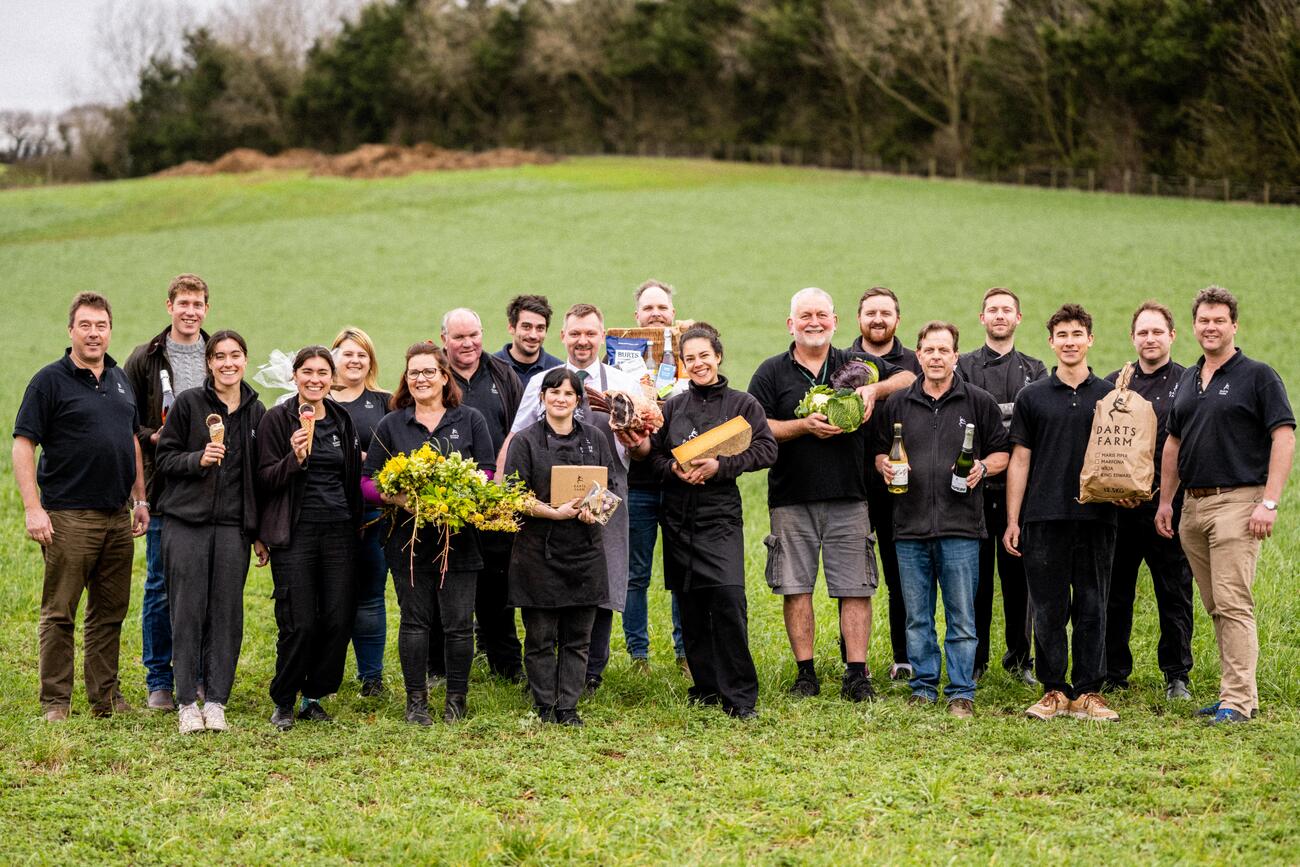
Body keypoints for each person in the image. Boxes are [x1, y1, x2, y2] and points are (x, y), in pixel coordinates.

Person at [748, 287, 914, 702]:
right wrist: (802, 426)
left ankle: (856, 673)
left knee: (855, 585)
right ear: (791, 324)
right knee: (795, 586)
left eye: (822, 314)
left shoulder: (856, 365)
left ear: (835, 322)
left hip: (850, 494)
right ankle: (806, 673)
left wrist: (873, 391)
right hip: (791, 495)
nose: (814, 322)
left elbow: (909, 376)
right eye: (805, 315)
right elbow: (757, 426)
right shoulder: (771, 372)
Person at [1157, 286, 1294, 725]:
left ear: (1234, 325)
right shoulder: (1188, 378)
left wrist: (1269, 501)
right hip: (1192, 507)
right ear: (1193, 326)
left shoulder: (1258, 376)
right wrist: (1166, 501)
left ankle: (1237, 700)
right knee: (1216, 604)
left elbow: (1284, 436)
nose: (1210, 327)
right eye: (1203, 320)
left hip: (1239, 501)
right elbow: (1173, 443)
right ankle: (1237, 694)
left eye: (1219, 320)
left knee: (1233, 603)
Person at [13, 292, 150, 722]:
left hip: (116, 515)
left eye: (101, 326)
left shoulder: (119, 378)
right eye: (86, 325)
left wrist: (140, 498)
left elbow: (131, 441)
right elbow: (23, 445)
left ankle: (105, 697)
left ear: (110, 331)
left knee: (110, 612)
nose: (94, 333)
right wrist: (33, 508)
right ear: (71, 330)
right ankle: (56, 701)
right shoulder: (49, 381)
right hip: (68, 514)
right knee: (60, 612)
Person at [872, 322, 1009, 718]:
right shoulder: (898, 403)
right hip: (909, 527)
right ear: (918, 355)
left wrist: (982, 467)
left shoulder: (977, 401)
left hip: (962, 528)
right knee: (917, 618)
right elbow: (880, 451)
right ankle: (924, 686)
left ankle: (961, 690)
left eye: (943, 350)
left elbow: (1002, 452)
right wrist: (885, 464)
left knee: (962, 616)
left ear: (955, 356)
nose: (935, 357)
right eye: (928, 350)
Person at [505, 303, 642, 694]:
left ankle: (589, 673)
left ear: (602, 337)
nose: (583, 340)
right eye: (575, 333)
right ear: (563, 336)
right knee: (546, 587)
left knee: (605, 582)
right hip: (546, 503)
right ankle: (547, 680)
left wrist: (635, 431)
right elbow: (518, 437)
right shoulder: (540, 382)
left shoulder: (623, 382)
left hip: (605, 499)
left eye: (590, 333)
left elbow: (642, 447)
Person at [647, 325, 777, 719]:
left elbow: (767, 449)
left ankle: (741, 695)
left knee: (727, 599)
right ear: (683, 366)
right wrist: (673, 468)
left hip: (720, 517)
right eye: (690, 359)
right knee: (690, 605)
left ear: (718, 356)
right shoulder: (672, 407)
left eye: (705, 355)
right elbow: (650, 459)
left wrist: (722, 466)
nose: (699, 363)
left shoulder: (743, 404)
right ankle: (705, 687)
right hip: (677, 518)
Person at [363, 343, 496, 725]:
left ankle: (457, 698)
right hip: (407, 540)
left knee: (458, 622)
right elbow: (367, 482)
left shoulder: (469, 419)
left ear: (443, 376)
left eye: (428, 372)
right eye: (413, 372)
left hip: (459, 539)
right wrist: (396, 495)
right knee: (415, 620)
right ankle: (416, 701)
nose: (420, 379)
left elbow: (486, 471)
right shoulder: (392, 425)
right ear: (406, 378)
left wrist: (457, 493)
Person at [1004, 304, 1120, 722]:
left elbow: (1126, 457)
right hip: (1044, 516)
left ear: (1090, 340)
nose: (1070, 342)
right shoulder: (1031, 396)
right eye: (1062, 335)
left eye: (1077, 334)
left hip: (1097, 517)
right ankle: (1053, 689)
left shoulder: (1110, 395)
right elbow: (1019, 460)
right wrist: (1014, 519)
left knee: (1093, 604)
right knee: (1048, 607)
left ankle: (1089, 691)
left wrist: (1127, 493)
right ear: (1051, 343)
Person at [155, 330, 268, 733]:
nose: (227, 363)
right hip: (186, 523)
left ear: (244, 360)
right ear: (209, 363)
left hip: (232, 528)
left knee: (226, 613)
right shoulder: (189, 404)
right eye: (218, 356)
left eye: (234, 355)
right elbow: (164, 458)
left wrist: (258, 532)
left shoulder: (257, 413)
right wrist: (196, 459)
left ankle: (216, 699)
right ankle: (187, 701)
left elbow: (260, 478)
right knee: (187, 611)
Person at [504, 367, 617, 726]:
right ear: (542, 398)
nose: (560, 399)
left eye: (568, 394)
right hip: (537, 551)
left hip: (584, 550)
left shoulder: (596, 439)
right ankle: (543, 703)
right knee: (539, 636)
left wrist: (592, 511)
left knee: (577, 637)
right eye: (553, 393)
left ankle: (568, 706)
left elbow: (611, 488)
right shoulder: (525, 441)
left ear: (578, 400)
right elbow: (513, 495)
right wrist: (551, 513)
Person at [257, 346, 363, 730]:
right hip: (295, 533)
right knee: (299, 621)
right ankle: (284, 699)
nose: (315, 379)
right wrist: (295, 460)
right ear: (294, 376)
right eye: (307, 372)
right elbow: (263, 478)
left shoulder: (341, 420)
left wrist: (354, 526)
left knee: (336, 618)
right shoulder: (276, 420)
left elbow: (350, 479)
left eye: (322, 372)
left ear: (331, 378)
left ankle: (314, 695)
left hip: (339, 531)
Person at [124, 273, 211, 711]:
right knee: (160, 585)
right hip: (162, 488)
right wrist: (157, 437)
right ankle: (159, 678)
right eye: (183, 303)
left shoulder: (219, 354)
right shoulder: (145, 358)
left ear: (206, 310)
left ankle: (194, 675)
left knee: (200, 587)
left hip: (209, 490)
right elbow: (125, 423)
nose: (190, 311)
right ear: (169, 306)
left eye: (198, 304)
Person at [1102, 302, 1195, 699]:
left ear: (1172, 336)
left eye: (1157, 332)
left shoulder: (1191, 382)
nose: (1150, 339)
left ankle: (1176, 675)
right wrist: (1113, 491)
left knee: (1173, 592)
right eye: (1142, 332)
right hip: (1119, 510)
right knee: (1115, 592)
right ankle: (1113, 672)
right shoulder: (1116, 383)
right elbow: (1101, 446)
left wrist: (1170, 501)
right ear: (1133, 338)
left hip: (1169, 508)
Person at [956, 287, 1047, 685]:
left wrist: (992, 416)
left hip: (1019, 493)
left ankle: (1019, 659)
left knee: (1018, 581)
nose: (999, 316)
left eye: (1007, 310)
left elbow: (1034, 427)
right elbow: (963, 420)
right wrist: (1007, 420)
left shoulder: (1035, 369)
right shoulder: (962, 366)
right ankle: (975, 661)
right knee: (975, 581)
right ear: (982, 318)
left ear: (1018, 319)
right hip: (971, 491)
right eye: (992, 310)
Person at [441, 308, 525, 682]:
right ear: (444, 339)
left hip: (495, 498)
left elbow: (519, 429)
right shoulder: (435, 376)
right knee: (444, 584)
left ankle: (505, 664)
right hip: (445, 500)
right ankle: (440, 665)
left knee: (497, 583)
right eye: (459, 337)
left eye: (473, 334)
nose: (468, 343)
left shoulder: (501, 374)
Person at [847, 286, 922, 682]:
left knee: (899, 575)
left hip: (899, 484)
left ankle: (903, 657)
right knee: (851, 577)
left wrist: (875, 388)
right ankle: (852, 660)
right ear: (859, 318)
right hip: (850, 485)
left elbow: (913, 378)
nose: (878, 319)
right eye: (870, 312)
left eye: (885, 313)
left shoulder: (912, 360)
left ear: (897, 319)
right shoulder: (842, 361)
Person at [623, 279, 688, 675]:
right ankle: (638, 656)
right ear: (637, 317)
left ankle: (685, 653)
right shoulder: (622, 357)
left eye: (662, 307)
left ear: (673, 313)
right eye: (648, 308)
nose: (656, 314)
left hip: (680, 480)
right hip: (637, 484)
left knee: (681, 572)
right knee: (636, 574)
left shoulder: (690, 355)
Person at [330, 326, 392, 697]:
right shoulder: (315, 399)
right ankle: (325, 674)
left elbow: (399, 453)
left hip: (372, 515)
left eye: (362, 355)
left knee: (370, 597)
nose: (354, 361)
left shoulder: (384, 401)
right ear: (333, 355)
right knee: (328, 599)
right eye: (347, 353)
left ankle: (372, 677)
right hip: (326, 516)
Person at [493, 294, 564, 384]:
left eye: (540, 328)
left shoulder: (558, 370)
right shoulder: (490, 367)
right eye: (526, 327)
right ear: (511, 328)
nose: (533, 335)